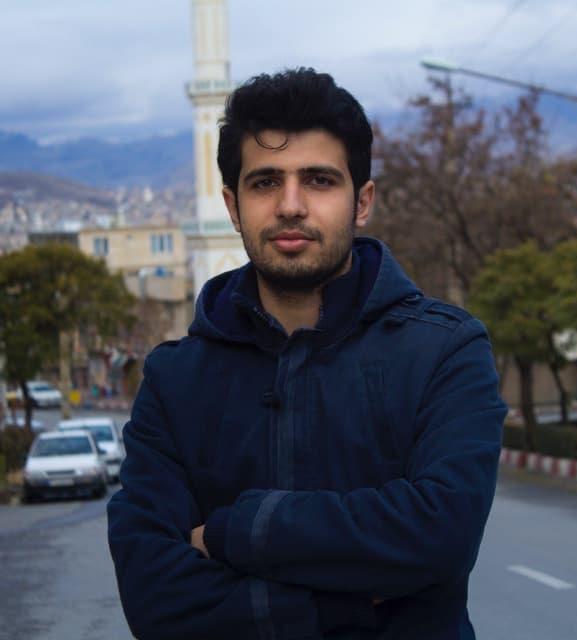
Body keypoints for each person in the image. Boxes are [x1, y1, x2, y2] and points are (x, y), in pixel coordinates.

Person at [108, 68, 507, 640]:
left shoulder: (443, 351)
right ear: (232, 206)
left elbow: (442, 535)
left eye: (319, 180)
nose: (290, 205)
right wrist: (343, 610)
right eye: (265, 182)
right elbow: (154, 597)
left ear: (362, 201)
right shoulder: (176, 380)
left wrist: (234, 530)